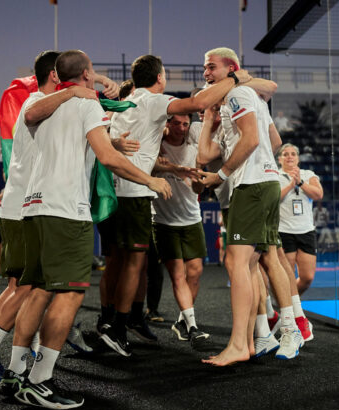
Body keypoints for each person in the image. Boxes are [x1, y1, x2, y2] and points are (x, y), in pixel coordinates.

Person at [6, 50, 171, 410]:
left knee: (38, 290)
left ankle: (16, 372)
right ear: (84, 74)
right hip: (66, 211)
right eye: (92, 71)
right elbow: (109, 158)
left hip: (33, 208)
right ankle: (39, 380)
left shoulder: (41, 104)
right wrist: (150, 180)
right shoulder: (85, 104)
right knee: (70, 294)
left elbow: (38, 120)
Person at [0, 50, 100, 388]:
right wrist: (79, 90)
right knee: (28, 288)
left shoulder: (47, 104)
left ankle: (9, 362)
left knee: (25, 288)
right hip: (26, 208)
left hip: (23, 206)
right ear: (55, 75)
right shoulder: (39, 103)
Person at [98, 53, 249, 357]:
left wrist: (172, 168)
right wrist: (234, 79)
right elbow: (197, 103)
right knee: (133, 265)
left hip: (113, 192)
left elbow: (120, 144)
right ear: (160, 78)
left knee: (119, 262)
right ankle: (118, 330)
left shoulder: (126, 103)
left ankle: (109, 321)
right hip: (134, 193)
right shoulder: (153, 101)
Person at [198, 47, 303, 365]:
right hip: (259, 184)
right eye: (205, 68)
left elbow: (253, 140)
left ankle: (261, 338)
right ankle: (264, 335)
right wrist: (210, 119)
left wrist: (222, 174)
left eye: (211, 67)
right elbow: (271, 142)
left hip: (252, 186)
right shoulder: (241, 99)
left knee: (240, 263)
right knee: (259, 261)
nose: (206, 73)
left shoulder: (238, 94)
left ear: (231, 69)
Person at [153, 114, 210, 348]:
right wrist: (174, 169)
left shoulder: (195, 149)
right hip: (164, 222)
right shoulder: (157, 146)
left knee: (195, 272)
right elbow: (149, 167)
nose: (182, 128)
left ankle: (181, 321)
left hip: (191, 218)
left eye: (186, 124)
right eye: (176, 123)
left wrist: (198, 180)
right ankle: (193, 327)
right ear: (167, 124)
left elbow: (198, 188)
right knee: (177, 275)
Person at [277, 144, 323, 296]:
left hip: (306, 231)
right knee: (287, 277)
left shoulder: (308, 174)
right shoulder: (275, 176)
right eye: (285, 154)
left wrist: (300, 183)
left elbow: (318, 194)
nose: (289, 156)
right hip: (284, 231)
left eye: (293, 154)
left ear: (298, 158)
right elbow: (272, 199)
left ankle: (287, 303)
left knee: (307, 277)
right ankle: (291, 307)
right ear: (280, 159)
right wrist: (291, 185)